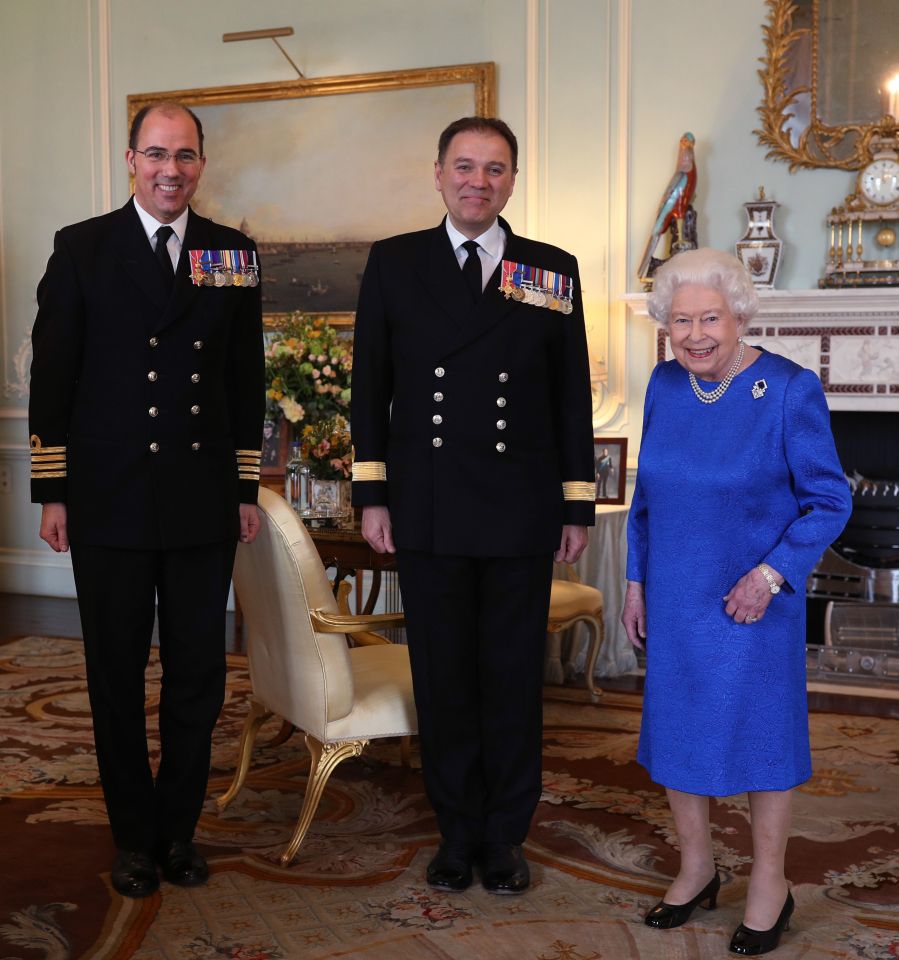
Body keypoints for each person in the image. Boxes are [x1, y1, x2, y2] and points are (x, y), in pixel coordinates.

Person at [351, 117, 595, 895]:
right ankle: (456, 833)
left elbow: (568, 398)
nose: (477, 181)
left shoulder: (548, 270)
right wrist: (371, 495)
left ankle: (505, 837)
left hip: (519, 508)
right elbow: (370, 390)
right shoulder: (394, 263)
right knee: (445, 678)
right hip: (426, 507)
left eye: (494, 170)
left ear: (512, 182)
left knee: (513, 678)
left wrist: (576, 506)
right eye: (464, 166)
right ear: (437, 173)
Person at [29, 101, 265, 898]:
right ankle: (132, 837)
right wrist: (51, 489)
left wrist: (243, 487)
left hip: (200, 501)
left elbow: (242, 380)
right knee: (115, 674)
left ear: (203, 164)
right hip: (109, 498)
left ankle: (177, 832)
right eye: (157, 153)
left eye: (187, 155)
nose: (172, 169)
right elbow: (53, 374)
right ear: (130, 160)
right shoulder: (83, 248)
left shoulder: (231, 253)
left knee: (197, 675)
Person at [622, 248, 850, 955]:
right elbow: (646, 497)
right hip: (674, 597)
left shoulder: (787, 389)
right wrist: (634, 581)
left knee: (759, 743)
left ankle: (769, 885)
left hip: (751, 604)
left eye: (709, 318)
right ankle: (695, 868)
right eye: (680, 320)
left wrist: (772, 574)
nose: (694, 334)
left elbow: (828, 499)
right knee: (677, 734)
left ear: (738, 314)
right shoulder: (663, 385)